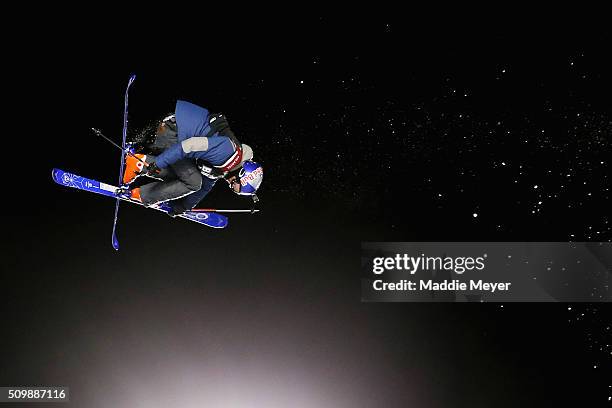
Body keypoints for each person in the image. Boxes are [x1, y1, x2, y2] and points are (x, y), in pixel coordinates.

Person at [121, 100, 263, 215]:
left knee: (189, 179)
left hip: (174, 133)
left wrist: (183, 206)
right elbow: (190, 145)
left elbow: (204, 187)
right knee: (193, 181)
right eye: (236, 187)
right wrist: (158, 163)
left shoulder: (225, 167)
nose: (231, 186)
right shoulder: (228, 152)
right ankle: (143, 193)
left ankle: (139, 164)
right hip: (174, 129)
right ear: (242, 174)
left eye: (235, 190)